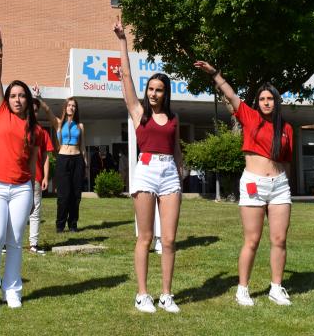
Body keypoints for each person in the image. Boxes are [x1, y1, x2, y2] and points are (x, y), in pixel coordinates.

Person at [193, 60, 294, 307]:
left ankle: (276, 288)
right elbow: (230, 93)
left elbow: (287, 161)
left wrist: (286, 186)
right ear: (257, 103)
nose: (266, 103)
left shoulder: (287, 128)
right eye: (262, 99)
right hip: (253, 185)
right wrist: (215, 74)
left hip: (279, 185)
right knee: (252, 240)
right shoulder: (249, 117)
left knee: (279, 240)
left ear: (276, 101)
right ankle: (242, 289)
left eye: (270, 99)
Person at [114, 19, 184, 314]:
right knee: (144, 237)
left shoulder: (174, 119)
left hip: (169, 174)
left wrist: (180, 174)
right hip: (145, 171)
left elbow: (177, 149)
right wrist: (122, 41)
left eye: (159, 90)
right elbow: (127, 77)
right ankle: (142, 294)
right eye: (151, 89)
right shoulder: (138, 112)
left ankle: (166, 294)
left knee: (168, 239)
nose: (154, 93)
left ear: (166, 93)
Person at [0, 25, 39, 310]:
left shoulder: (34, 128)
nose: (16, 99)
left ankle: (12, 289)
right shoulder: (1, 111)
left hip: (21, 189)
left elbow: (31, 161)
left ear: (28, 100)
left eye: (21, 96)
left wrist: (31, 188)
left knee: (15, 242)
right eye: (13, 95)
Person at [38, 93, 88, 233]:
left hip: (77, 159)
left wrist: (86, 164)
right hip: (63, 159)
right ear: (65, 108)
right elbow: (48, 110)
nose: (71, 108)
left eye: (74, 106)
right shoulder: (59, 123)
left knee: (76, 195)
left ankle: (73, 224)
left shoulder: (80, 126)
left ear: (76, 109)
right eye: (69, 105)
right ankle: (60, 225)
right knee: (63, 195)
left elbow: (83, 146)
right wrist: (40, 98)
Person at [29, 92, 55, 253]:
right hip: (18, 178)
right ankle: (8, 244)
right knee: (14, 212)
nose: (33, 112)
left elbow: (46, 156)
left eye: (36, 110)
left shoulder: (41, 132)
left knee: (35, 211)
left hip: (36, 177)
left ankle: (33, 244)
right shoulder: (17, 127)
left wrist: (46, 176)